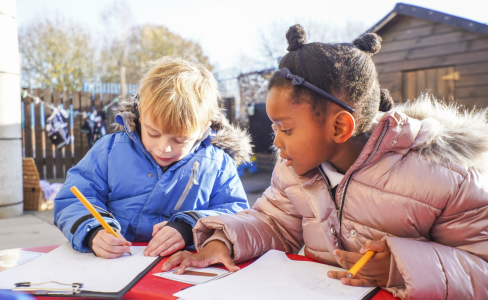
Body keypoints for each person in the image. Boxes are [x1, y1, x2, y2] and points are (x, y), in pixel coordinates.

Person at [163, 25, 488, 299]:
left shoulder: (447, 176)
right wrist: (224, 240)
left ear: (339, 127)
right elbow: (274, 223)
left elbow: (481, 268)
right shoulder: (294, 169)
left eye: (286, 129)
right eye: (275, 127)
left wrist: (399, 268)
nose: (276, 142)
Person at [54, 56, 252, 259]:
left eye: (180, 140)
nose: (163, 148)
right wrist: (94, 232)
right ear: (140, 112)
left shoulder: (217, 165)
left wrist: (188, 227)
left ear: (203, 128)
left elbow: (235, 213)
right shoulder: (109, 151)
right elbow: (72, 199)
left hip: (182, 268)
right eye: (153, 133)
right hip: (115, 265)